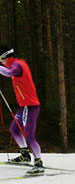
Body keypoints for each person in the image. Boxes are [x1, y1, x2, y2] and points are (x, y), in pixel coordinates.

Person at [0, 44, 44, 175]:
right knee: (14, 129)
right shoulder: (16, 63)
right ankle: (25, 155)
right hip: (25, 106)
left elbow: (9, 73)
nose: (1, 62)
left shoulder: (17, 65)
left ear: (6, 56)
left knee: (29, 135)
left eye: (1, 60)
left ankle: (39, 163)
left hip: (30, 106)